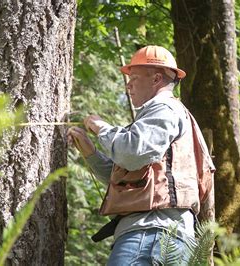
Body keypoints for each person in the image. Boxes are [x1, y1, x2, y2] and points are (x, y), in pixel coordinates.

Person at [68, 45, 201, 265]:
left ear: (157, 79)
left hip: (150, 235)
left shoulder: (164, 108)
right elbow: (130, 175)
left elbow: (131, 153)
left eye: (134, 77)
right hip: (161, 236)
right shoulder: (166, 114)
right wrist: (90, 153)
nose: (128, 85)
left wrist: (102, 128)